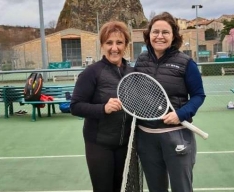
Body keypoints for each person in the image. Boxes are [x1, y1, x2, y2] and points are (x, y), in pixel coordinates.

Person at [134, 12, 206, 192]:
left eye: (165, 32)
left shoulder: (186, 63)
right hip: (146, 136)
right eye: (155, 32)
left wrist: (180, 114)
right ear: (148, 35)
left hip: (177, 135)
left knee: (181, 188)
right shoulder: (141, 60)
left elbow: (198, 95)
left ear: (173, 35)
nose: (159, 36)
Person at [70, 21, 134, 192]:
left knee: (122, 188)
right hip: (99, 145)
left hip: (125, 144)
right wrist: (103, 109)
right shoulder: (92, 72)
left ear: (126, 46)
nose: (114, 48)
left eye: (119, 42)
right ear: (102, 46)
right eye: (109, 43)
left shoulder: (132, 73)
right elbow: (75, 106)